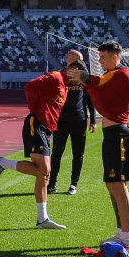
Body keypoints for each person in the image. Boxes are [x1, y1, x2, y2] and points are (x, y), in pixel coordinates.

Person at [67, 41, 129, 247]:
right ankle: (120, 233)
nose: (99, 60)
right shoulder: (111, 74)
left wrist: (83, 78)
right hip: (111, 135)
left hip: (119, 135)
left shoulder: (121, 74)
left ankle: (127, 238)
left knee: (119, 186)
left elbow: (96, 84)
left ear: (115, 57)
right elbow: (97, 87)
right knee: (111, 184)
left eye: (103, 57)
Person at [0, 69, 67, 229]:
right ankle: (2, 163)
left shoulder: (65, 85)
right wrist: (34, 111)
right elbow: (30, 86)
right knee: (43, 170)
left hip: (47, 129)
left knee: (44, 176)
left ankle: (42, 219)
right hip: (37, 125)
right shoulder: (55, 77)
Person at [48, 50, 96, 196]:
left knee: (78, 153)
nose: (82, 63)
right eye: (79, 60)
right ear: (70, 60)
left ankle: (73, 184)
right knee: (56, 152)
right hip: (61, 121)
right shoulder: (60, 75)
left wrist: (93, 120)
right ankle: (52, 183)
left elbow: (90, 99)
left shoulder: (83, 77)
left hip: (79, 120)